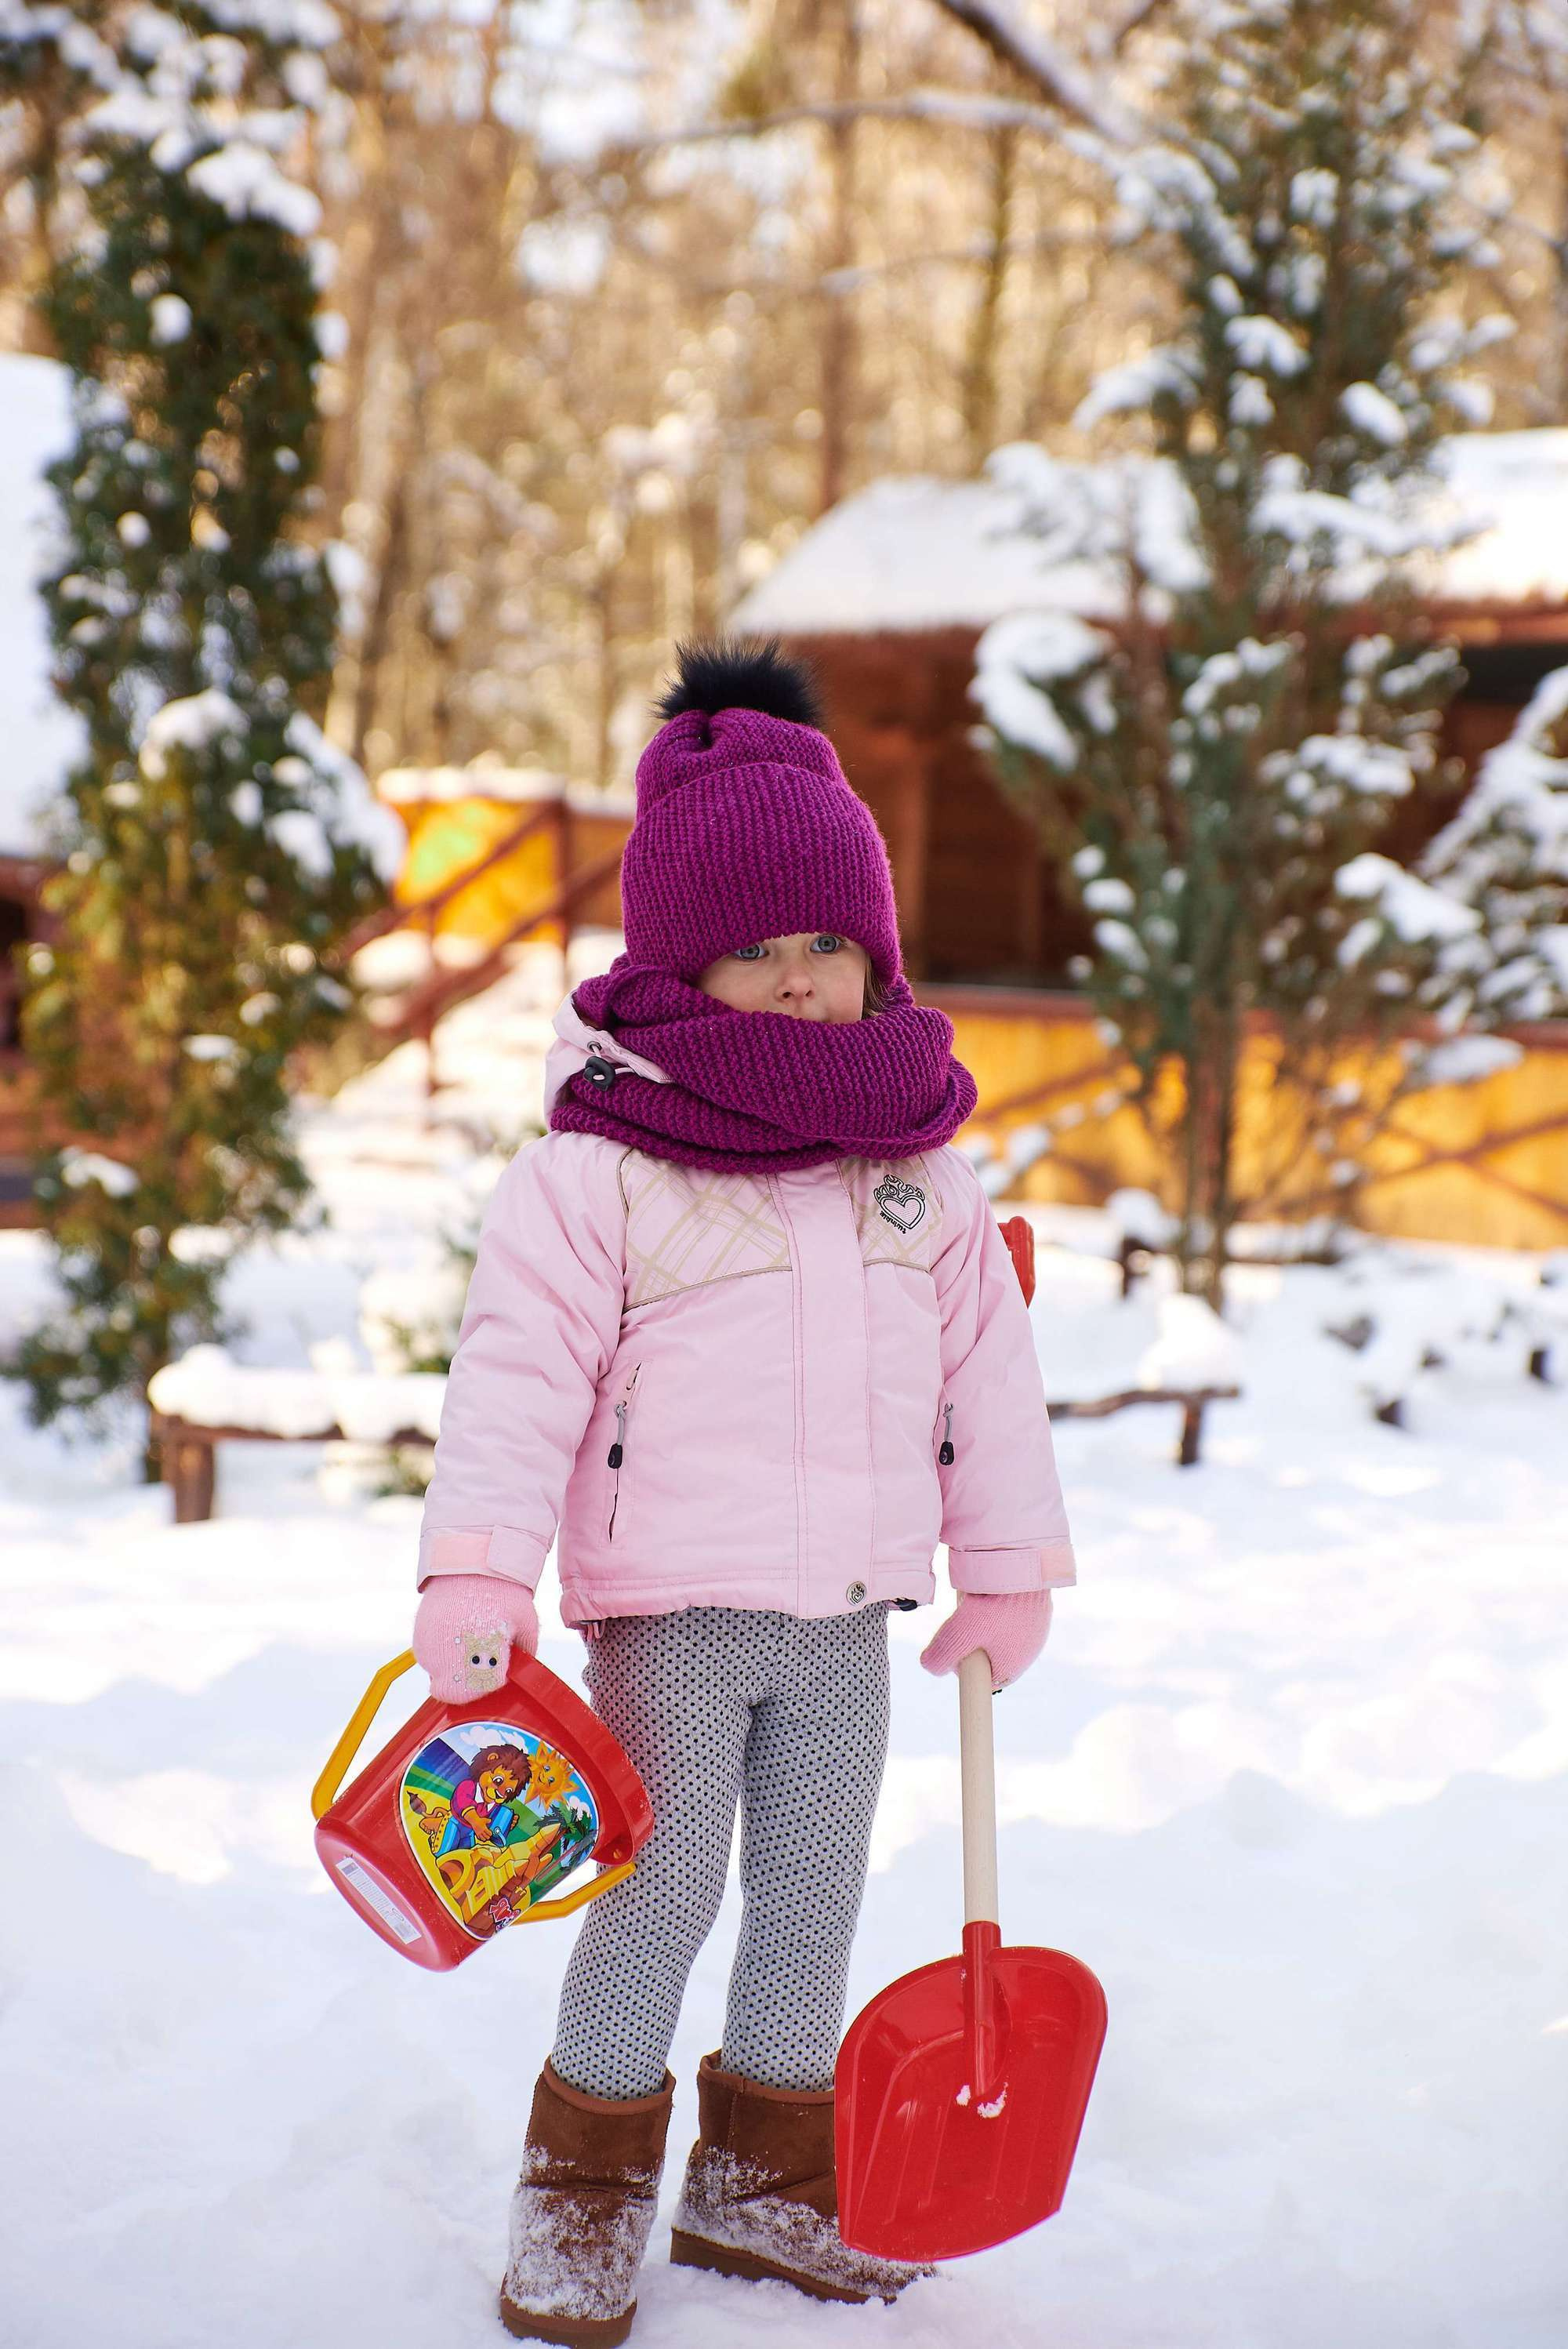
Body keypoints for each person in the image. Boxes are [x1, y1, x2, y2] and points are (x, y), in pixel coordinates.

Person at [412, 638, 1076, 2347]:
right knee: (657, 1890)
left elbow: (985, 1383)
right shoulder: (601, 1166)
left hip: (850, 1609)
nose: (798, 979)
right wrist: (476, 1574)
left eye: (829, 945)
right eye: (757, 949)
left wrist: (1007, 1567)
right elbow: (510, 1378)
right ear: (681, 962)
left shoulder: (918, 1165)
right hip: (676, 1615)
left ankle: (766, 2175)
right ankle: (585, 2184)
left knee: (813, 1888)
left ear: (876, 951)